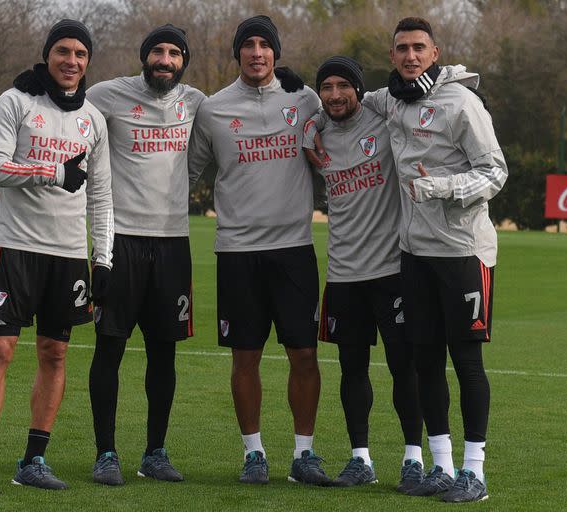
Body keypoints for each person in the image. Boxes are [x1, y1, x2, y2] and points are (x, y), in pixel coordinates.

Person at [358, 17, 507, 502]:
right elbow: (347, 101)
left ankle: (475, 472)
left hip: (464, 253)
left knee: (466, 362)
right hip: (415, 254)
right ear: (393, 55)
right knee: (425, 362)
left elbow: (495, 173)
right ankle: (440, 466)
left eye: (419, 47)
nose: (410, 55)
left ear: (435, 52)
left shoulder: (462, 103)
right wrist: (308, 99)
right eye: (401, 48)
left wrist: (440, 185)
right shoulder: (390, 100)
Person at [0, 19, 113, 495]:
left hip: (68, 255)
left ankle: (34, 459)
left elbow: (102, 197)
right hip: (15, 247)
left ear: (87, 62)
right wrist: (52, 170)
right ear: (48, 55)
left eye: (80, 54)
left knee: (54, 353)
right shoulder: (16, 102)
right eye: (63, 51)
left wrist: (103, 258)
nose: (71, 61)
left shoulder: (94, 119)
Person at [188, 15, 330, 486]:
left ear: (276, 53)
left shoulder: (305, 99)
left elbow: (350, 115)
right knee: (244, 358)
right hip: (237, 253)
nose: (256, 52)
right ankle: (254, 454)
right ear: (237, 53)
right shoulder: (212, 109)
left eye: (264, 45)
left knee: (304, 356)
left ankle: (304, 454)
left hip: (294, 250)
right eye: (247, 45)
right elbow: (185, 174)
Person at [85, 24, 206, 485]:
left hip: (173, 244)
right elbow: (69, 109)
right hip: (121, 243)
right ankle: (106, 453)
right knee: (109, 348)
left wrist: (290, 82)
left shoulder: (195, 102)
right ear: (144, 56)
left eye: (175, 53)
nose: (165, 59)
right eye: (158, 51)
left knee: (164, 354)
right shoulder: (108, 95)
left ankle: (155, 452)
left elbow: (247, 111)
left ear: (182, 62)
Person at [303, 56, 424, 490]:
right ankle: (361, 460)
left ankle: (413, 459)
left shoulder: (381, 115)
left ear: (358, 87)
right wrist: (310, 124)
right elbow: (304, 110)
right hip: (343, 274)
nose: (335, 94)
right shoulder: (316, 132)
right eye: (327, 87)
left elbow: (409, 92)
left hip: (392, 270)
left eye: (343, 86)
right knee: (351, 369)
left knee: (402, 368)